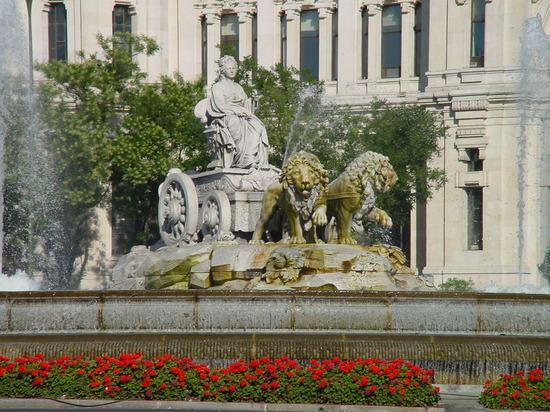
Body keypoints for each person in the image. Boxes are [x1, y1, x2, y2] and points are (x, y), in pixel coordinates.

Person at [206, 55, 269, 169]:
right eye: (229, 68)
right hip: (225, 115)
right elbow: (219, 106)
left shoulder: (239, 87)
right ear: (223, 70)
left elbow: (247, 107)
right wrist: (236, 111)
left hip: (242, 115)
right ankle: (237, 157)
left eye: (234, 68)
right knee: (234, 121)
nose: (231, 70)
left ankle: (248, 156)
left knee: (257, 125)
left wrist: (254, 100)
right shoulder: (217, 87)